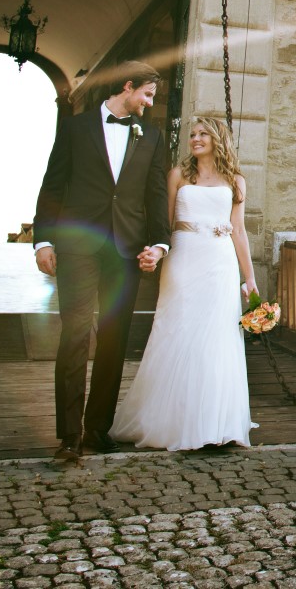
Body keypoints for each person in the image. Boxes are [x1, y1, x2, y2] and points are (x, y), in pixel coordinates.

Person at [32, 61, 170, 462]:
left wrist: (159, 244)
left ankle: (97, 428)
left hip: (126, 251)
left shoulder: (153, 138)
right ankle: (69, 435)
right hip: (77, 248)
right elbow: (53, 185)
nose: (148, 103)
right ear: (127, 87)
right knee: (74, 335)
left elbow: (156, 194)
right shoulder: (76, 129)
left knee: (114, 340)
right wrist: (43, 240)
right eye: (146, 95)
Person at [109, 115, 257, 451]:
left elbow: (239, 230)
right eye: (192, 134)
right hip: (184, 256)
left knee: (216, 335)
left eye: (203, 133)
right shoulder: (178, 175)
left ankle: (215, 421)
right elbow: (164, 221)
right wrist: (157, 252)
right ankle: (171, 420)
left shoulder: (235, 181)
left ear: (218, 138)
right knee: (175, 329)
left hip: (219, 262)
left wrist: (248, 278)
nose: (195, 138)